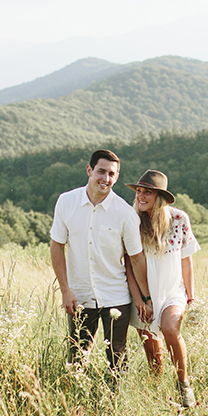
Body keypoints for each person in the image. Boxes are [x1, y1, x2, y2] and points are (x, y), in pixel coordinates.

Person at [50, 150, 152, 374]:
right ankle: (77, 404)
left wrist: (146, 298)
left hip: (116, 296)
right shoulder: (66, 202)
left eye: (111, 174)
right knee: (77, 357)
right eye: (101, 171)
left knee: (117, 359)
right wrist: (65, 290)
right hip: (79, 296)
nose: (106, 178)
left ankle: (113, 405)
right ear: (89, 170)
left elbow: (136, 259)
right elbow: (57, 245)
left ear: (116, 177)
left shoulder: (126, 214)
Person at [124, 169, 200, 408]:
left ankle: (184, 384)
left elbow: (186, 259)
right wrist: (139, 299)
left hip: (172, 290)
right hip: (143, 292)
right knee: (151, 347)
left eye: (148, 192)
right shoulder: (131, 221)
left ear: (160, 197)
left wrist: (190, 294)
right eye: (139, 191)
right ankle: (155, 391)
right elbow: (128, 266)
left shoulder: (179, 219)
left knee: (169, 328)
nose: (141, 196)